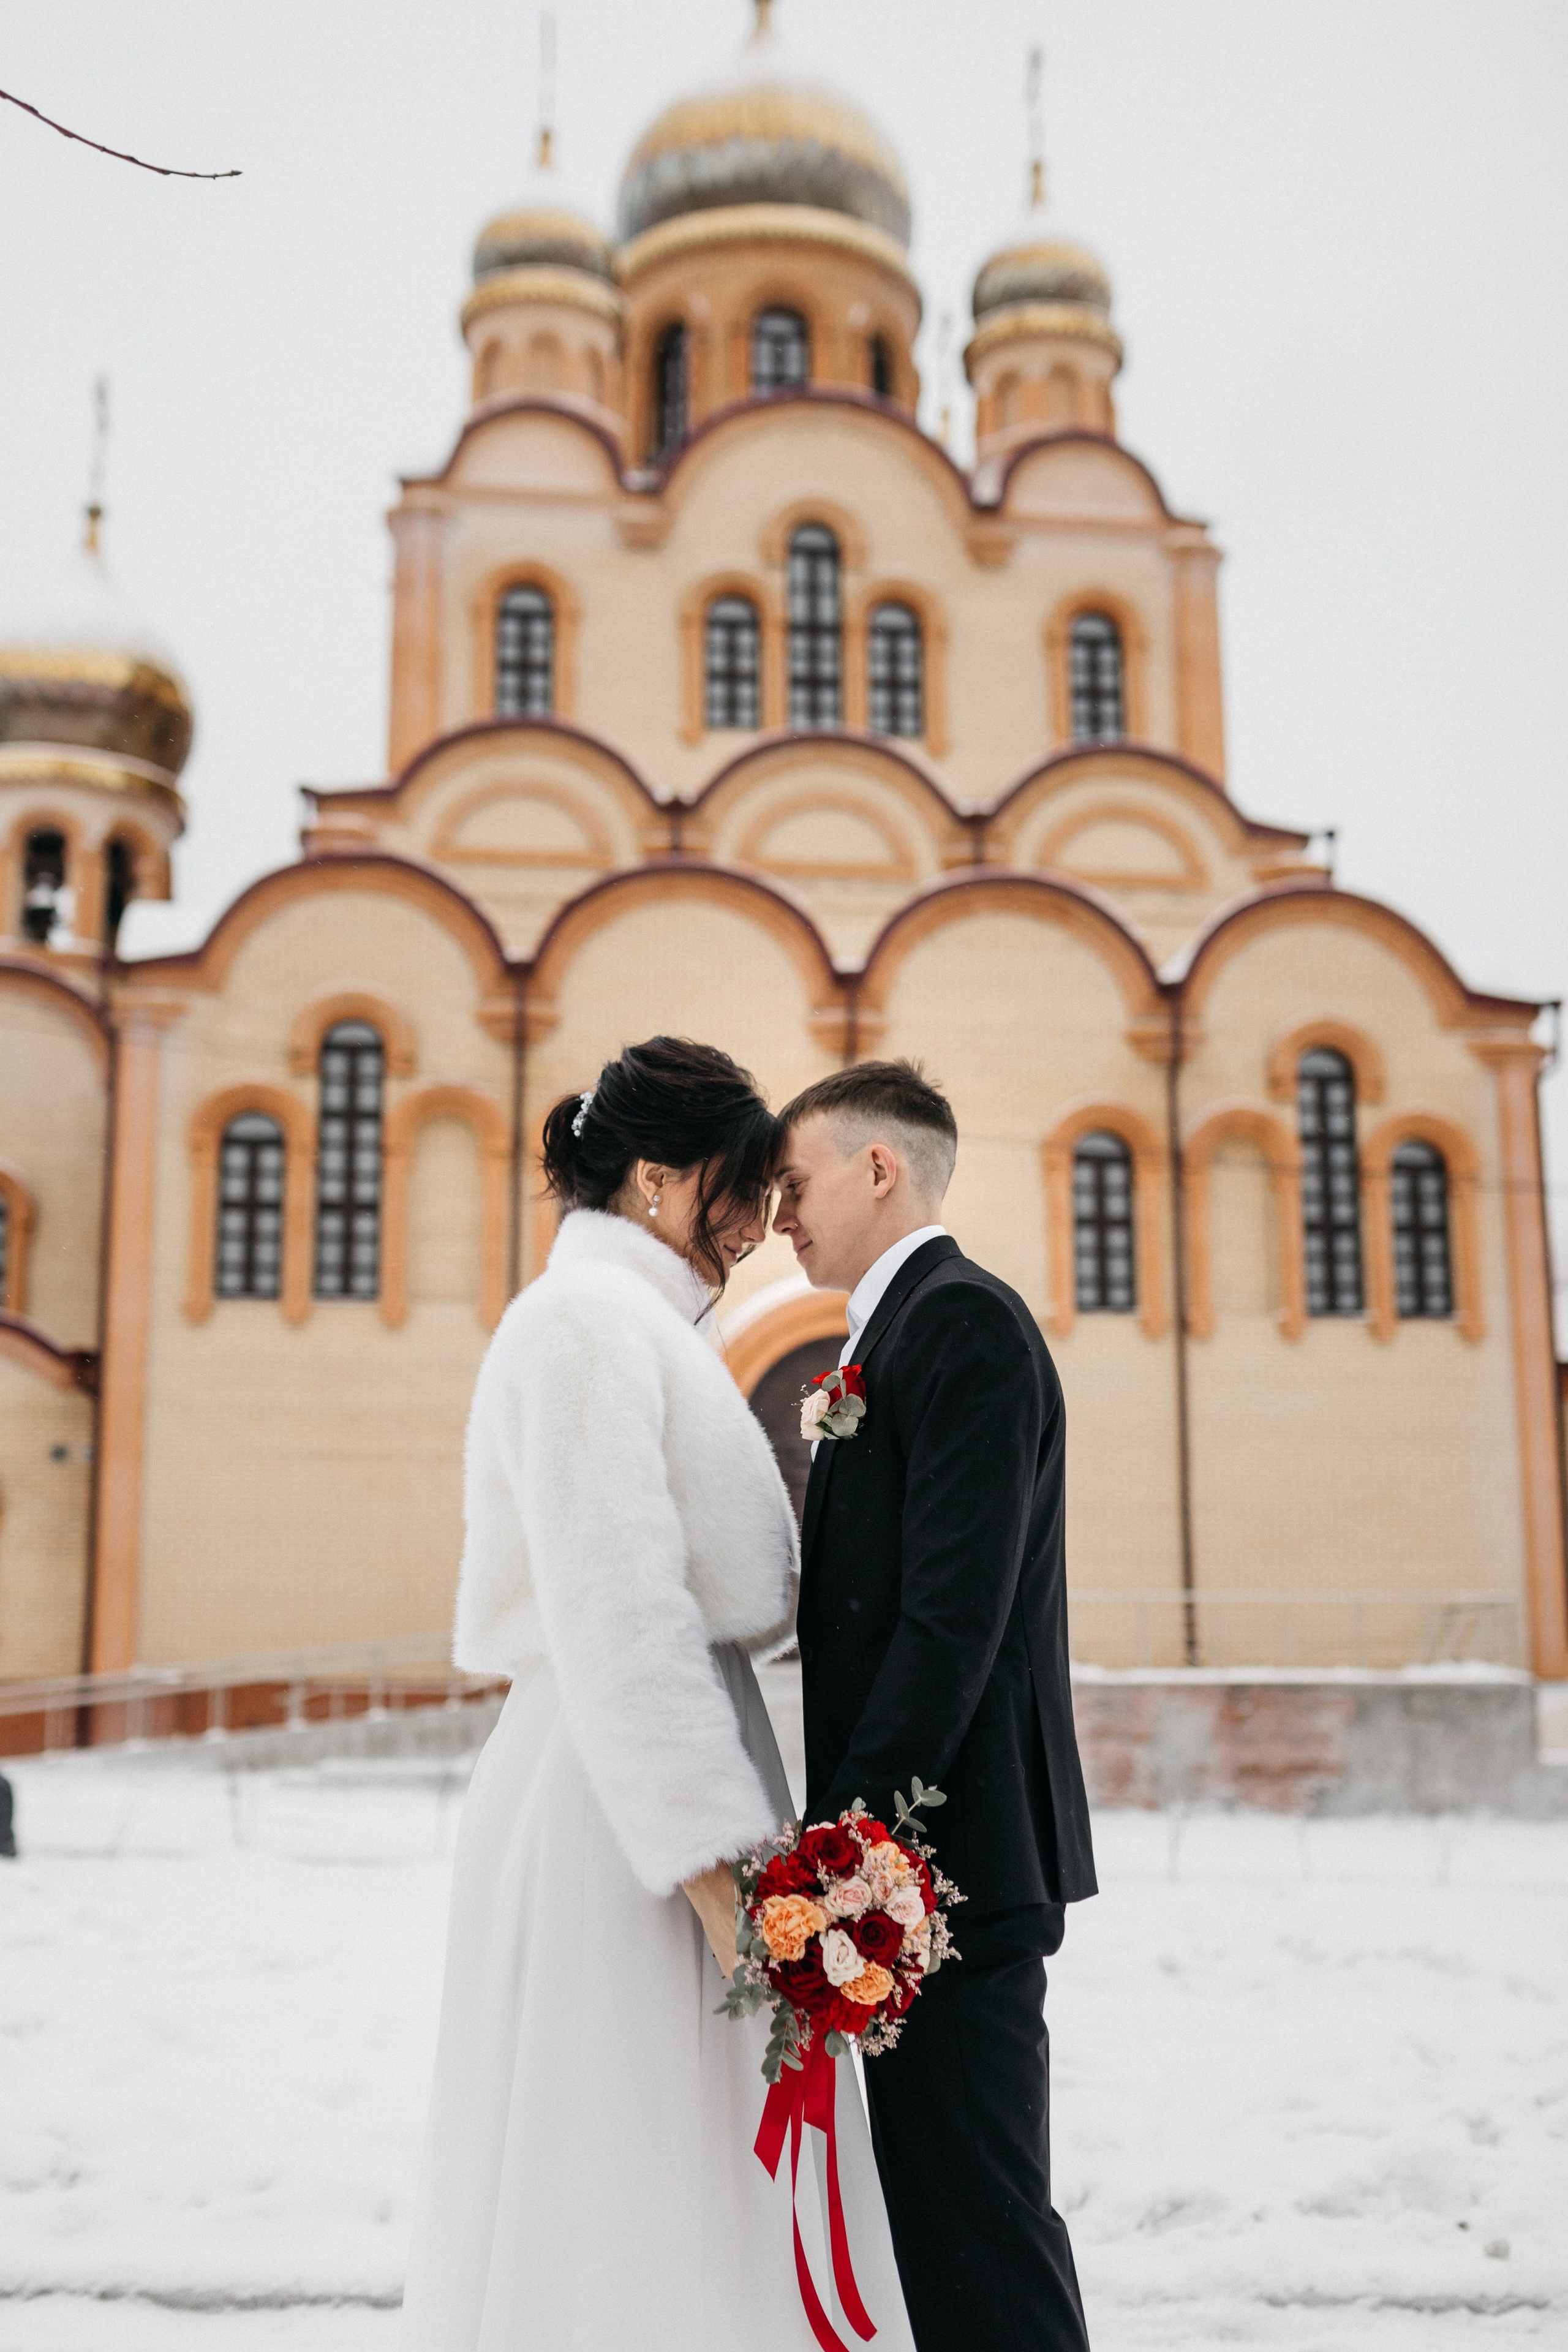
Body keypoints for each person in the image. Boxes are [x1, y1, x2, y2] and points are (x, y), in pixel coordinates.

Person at [401, 1036, 912, 2352]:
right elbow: (619, 1610)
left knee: (682, 2146)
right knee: (622, 2147)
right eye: (738, 1187)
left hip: (659, 1774)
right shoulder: (583, 1327)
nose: (754, 1224)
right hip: (620, 1802)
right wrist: (716, 1877)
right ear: (652, 1175)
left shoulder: (640, 1325)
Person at [773, 1058, 1097, 2352]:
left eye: (792, 1183)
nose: (779, 1212)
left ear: (875, 1167)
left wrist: (847, 1848)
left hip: (945, 1864)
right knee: (935, 2225)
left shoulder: (960, 1324)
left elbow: (949, 1621)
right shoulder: (897, 1330)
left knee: (979, 2232)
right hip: (912, 1872)